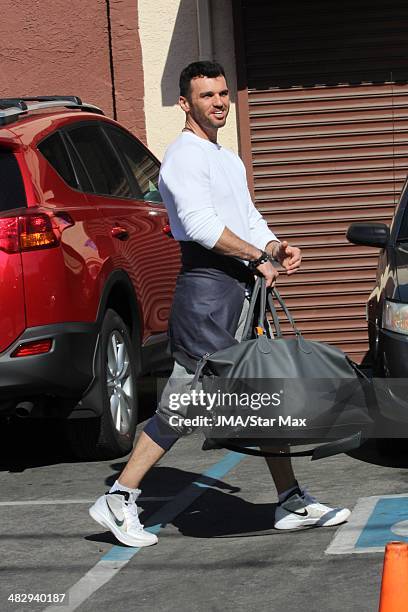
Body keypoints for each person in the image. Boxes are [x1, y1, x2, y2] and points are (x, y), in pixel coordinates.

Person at [89, 61, 350, 547]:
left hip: (237, 294)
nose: (219, 102)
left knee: (262, 395)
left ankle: (290, 500)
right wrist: (257, 257)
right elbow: (201, 226)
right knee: (188, 400)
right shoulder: (184, 157)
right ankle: (120, 495)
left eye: (224, 93)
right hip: (206, 294)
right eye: (207, 95)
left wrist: (273, 247)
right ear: (185, 104)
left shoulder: (227, 159)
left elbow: (246, 217)